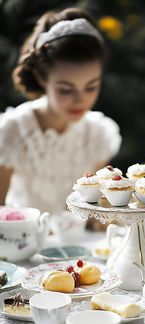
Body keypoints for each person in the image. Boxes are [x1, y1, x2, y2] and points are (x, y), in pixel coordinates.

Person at [0, 8, 122, 213]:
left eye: (91, 87)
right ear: (42, 78)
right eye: (66, 89)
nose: (80, 99)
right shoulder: (12, 130)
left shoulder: (98, 132)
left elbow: (100, 207)